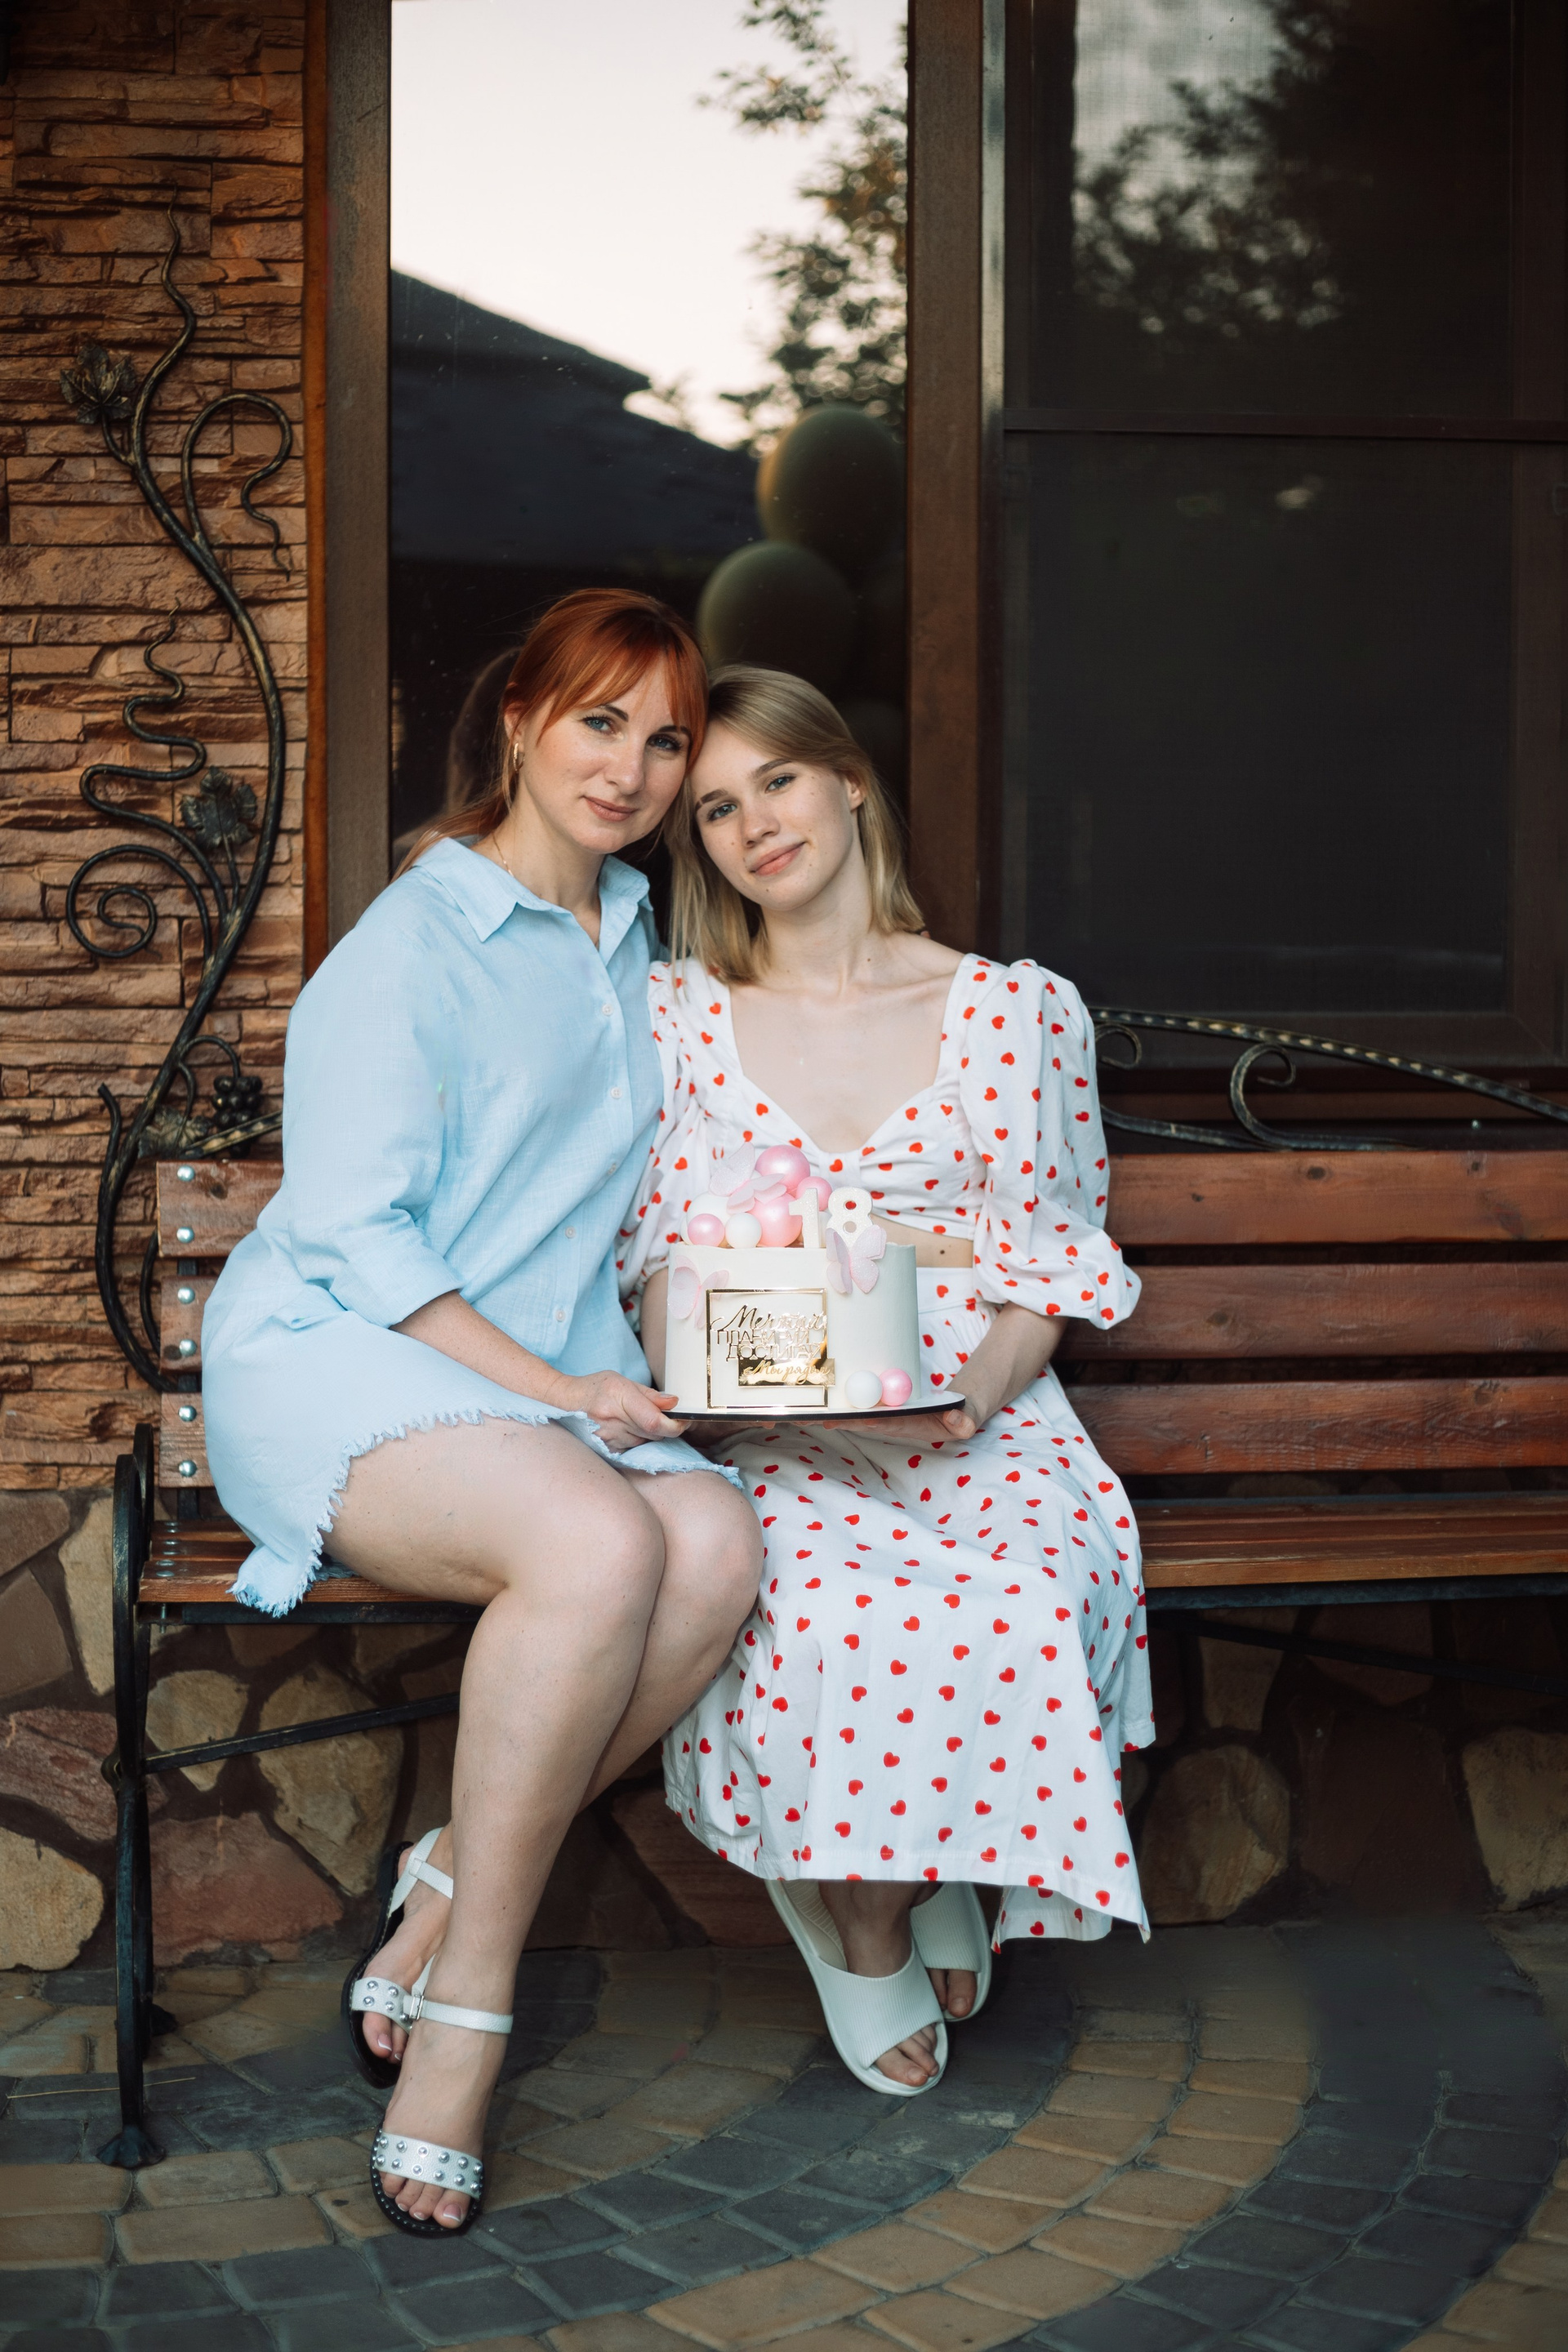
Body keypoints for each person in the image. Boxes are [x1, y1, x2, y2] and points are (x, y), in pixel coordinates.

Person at [203, 592, 764, 2232]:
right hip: (341, 1356)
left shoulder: (640, 936)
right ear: (518, 721)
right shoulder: (413, 944)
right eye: (599, 722)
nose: (632, 769)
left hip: (542, 1384)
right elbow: (353, 1236)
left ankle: (447, 1877)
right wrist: (563, 1391)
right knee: (600, 1546)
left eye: (665, 740)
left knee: (717, 1546)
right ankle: (467, 2017)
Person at [617, 665, 1152, 2098]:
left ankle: (914, 1869)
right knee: (828, 1610)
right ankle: (863, 1919)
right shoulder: (677, 1017)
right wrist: (743, 1391)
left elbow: (1048, 1266)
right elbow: (654, 1262)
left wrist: (968, 1403)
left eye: (778, 780)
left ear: (849, 781)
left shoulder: (1011, 1011)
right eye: (714, 808)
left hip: (979, 1409)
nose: (754, 825)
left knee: (1022, 1591)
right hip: (768, 1421)